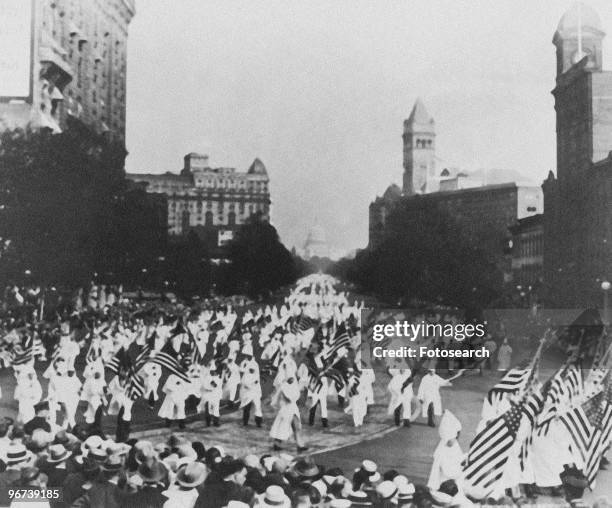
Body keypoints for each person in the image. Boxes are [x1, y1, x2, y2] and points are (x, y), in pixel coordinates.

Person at [270, 377, 308, 452]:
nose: (292, 379)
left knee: (296, 427)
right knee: (282, 428)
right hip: (285, 410)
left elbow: (298, 397)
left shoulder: (294, 386)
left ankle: (300, 445)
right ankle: (276, 444)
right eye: (290, 378)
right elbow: (289, 399)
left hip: (293, 409)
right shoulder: (283, 387)